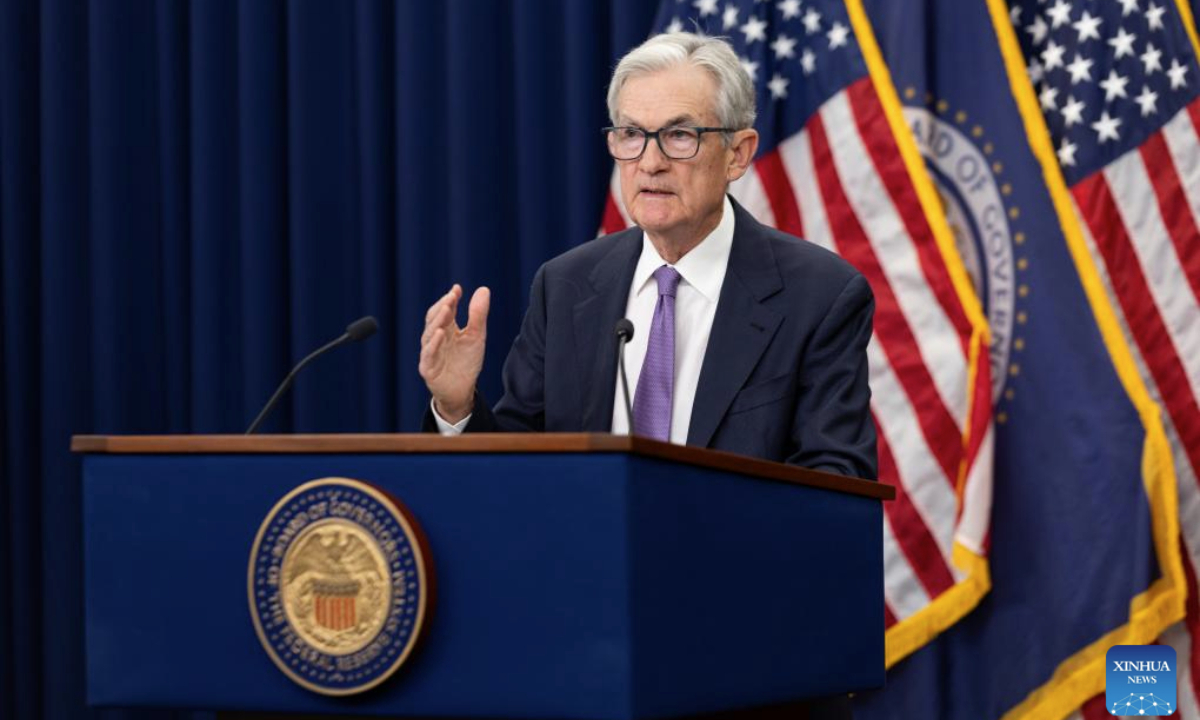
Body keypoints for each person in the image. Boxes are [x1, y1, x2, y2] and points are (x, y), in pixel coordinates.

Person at [419, 31, 876, 482]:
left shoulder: (819, 296)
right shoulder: (565, 285)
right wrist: (458, 405)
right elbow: (519, 463)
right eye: (632, 134)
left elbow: (835, 480)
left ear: (737, 154)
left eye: (680, 135)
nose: (650, 161)